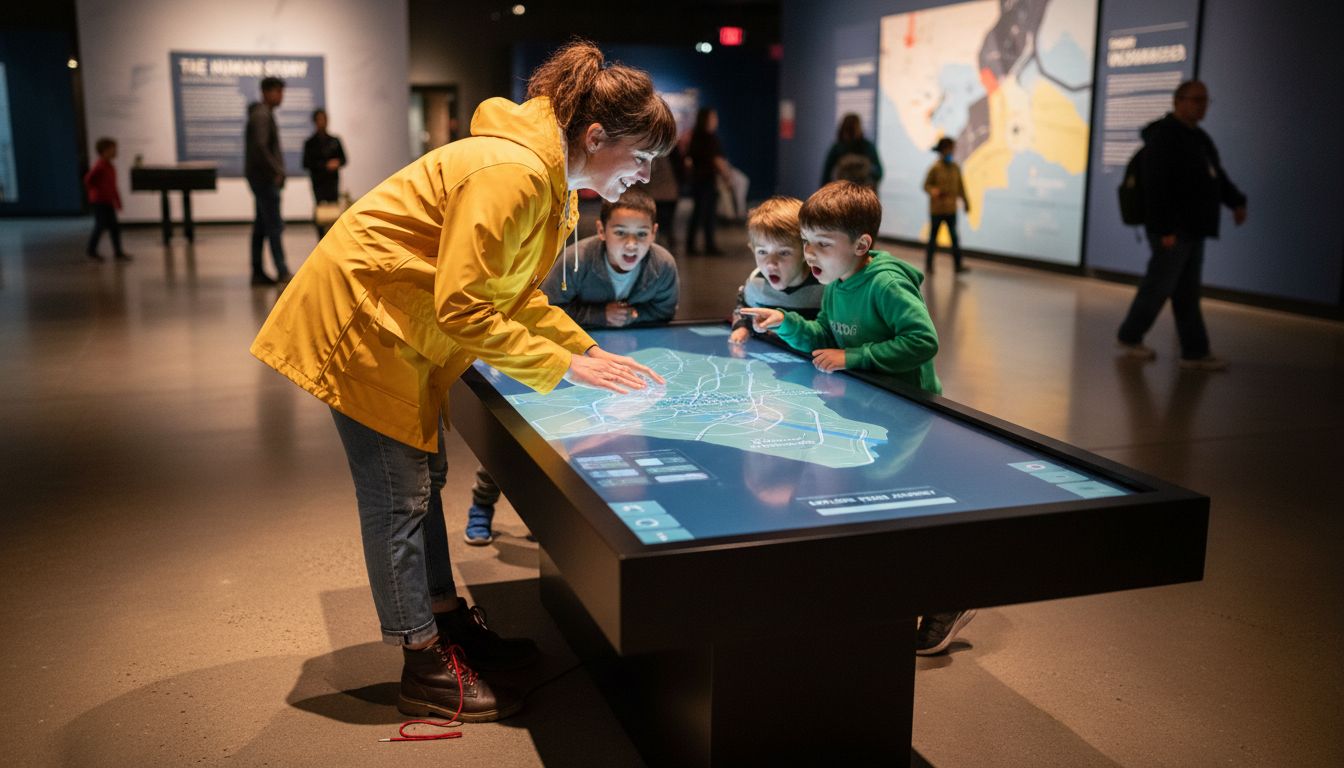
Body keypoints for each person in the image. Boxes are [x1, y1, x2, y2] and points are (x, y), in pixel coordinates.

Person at [249, 40, 676, 723]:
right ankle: (420, 661)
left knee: (423, 482)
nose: (644, 174)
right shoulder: (514, 173)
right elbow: (464, 306)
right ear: (597, 137)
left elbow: (516, 296)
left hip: (403, 330)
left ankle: (444, 621)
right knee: (399, 498)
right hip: (366, 327)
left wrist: (584, 348)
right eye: (642, 157)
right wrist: (566, 366)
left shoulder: (545, 177)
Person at [739, 182, 971, 655]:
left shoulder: (885, 282)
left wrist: (855, 356)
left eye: (822, 244)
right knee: (866, 511)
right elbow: (823, 332)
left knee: (901, 516)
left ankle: (949, 596)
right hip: (864, 413)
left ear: (861, 245)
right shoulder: (837, 284)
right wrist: (788, 325)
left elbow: (922, 340)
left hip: (908, 413)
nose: (810, 254)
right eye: (807, 243)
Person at [465, 186, 679, 544]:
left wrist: (633, 317)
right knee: (530, 438)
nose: (631, 244)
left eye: (641, 235)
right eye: (621, 233)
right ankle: (482, 504)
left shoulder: (662, 265)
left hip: (619, 365)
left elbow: (666, 311)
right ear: (601, 231)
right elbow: (547, 309)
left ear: (654, 234)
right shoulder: (574, 260)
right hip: (569, 360)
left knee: (599, 444)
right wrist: (599, 316)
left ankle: (544, 513)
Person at [1117, 80, 1247, 371]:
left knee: (1186, 292)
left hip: (1192, 229)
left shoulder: (1199, 139)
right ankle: (1130, 336)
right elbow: (1156, 188)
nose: (1202, 106)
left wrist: (1236, 201)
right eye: (1196, 99)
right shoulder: (1164, 139)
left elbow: (1216, 178)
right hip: (1172, 231)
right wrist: (1164, 229)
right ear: (1178, 102)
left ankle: (1194, 351)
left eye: (1205, 100)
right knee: (1158, 287)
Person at [729, 196, 822, 346]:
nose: (771, 263)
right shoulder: (756, 283)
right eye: (762, 252)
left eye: (784, 253)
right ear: (752, 250)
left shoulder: (823, 286)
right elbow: (742, 310)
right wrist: (742, 328)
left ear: (806, 252)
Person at [245, 76, 291, 285]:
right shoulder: (262, 115)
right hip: (264, 179)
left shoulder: (262, 114)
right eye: (278, 91)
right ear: (266, 92)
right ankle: (282, 270)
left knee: (262, 225)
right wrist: (277, 171)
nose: (281, 96)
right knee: (274, 225)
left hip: (261, 177)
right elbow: (261, 148)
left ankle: (257, 271)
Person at [684, 107, 729, 255]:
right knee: (706, 213)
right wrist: (725, 175)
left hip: (699, 180)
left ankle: (693, 245)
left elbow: (689, 158)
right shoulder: (709, 138)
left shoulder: (696, 136)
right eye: (713, 117)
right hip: (706, 180)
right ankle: (708, 245)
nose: (716, 120)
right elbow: (716, 159)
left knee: (700, 213)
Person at [923, 137, 970, 274]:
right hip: (937, 210)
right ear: (942, 150)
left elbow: (961, 187)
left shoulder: (955, 168)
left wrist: (966, 202)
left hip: (951, 210)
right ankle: (929, 265)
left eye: (952, 148)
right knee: (933, 239)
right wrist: (933, 191)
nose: (951, 151)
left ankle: (958, 266)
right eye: (949, 148)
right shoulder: (935, 168)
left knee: (955, 238)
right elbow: (926, 185)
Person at [84, 137, 131, 262]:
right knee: (100, 226)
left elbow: (113, 186)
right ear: (104, 151)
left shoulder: (110, 166)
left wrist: (118, 201)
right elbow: (88, 180)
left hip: (108, 201)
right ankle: (91, 251)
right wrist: (95, 192)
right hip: (99, 201)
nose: (116, 152)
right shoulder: (100, 166)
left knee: (114, 227)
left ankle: (118, 252)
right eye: (113, 149)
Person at [302, 108, 347, 239]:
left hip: (332, 182)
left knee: (333, 211)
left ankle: (333, 238)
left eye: (324, 119)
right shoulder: (310, 143)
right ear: (315, 122)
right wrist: (324, 166)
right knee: (320, 212)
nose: (322, 122)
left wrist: (337, 163)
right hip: (318, 182)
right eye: (319, 120)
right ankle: (321, 239)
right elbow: (306, 163)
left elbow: (344, 159)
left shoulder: (335, 140)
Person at [821, 112, 883, 189]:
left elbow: (879, 173)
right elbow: (826, 177)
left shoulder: (867, 147)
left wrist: (868, 172)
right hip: (842, 192)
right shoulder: (837, 149)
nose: (851, 135)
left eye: (853, 131)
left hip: (863, 191)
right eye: (848, 130)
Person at [645, 143, 683, 249]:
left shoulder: (652, 152)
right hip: (667, 191)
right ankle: (665, 240)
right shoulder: (670, 150)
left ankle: (662, 241)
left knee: (659, 219)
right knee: (665, 221)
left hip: (661, 191)